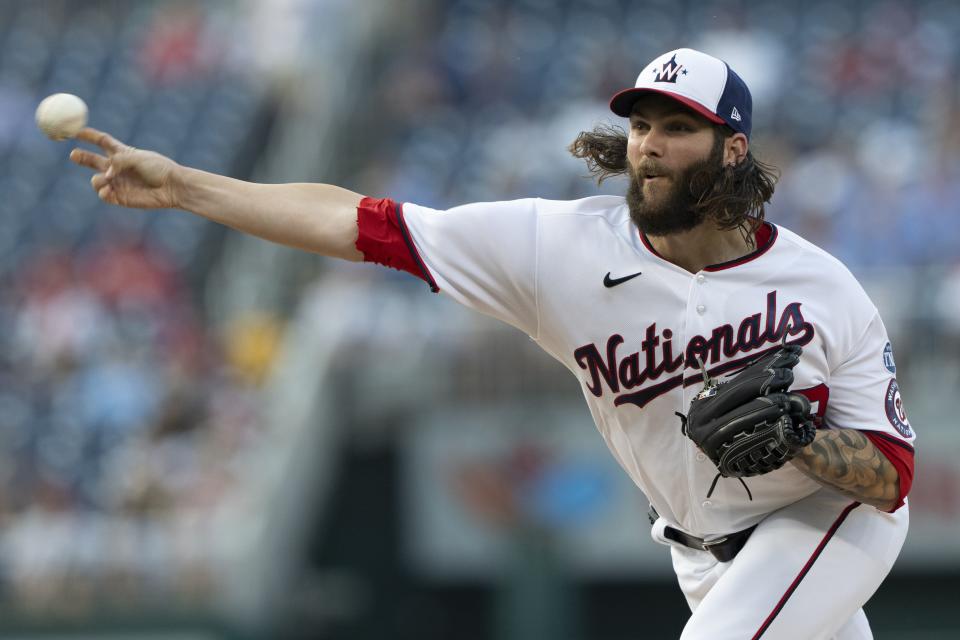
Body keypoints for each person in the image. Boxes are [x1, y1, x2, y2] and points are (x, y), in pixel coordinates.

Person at [70, 48, 914, 639]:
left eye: (677, 127)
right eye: (641, 124)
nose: (650, 145)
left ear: (733, 150)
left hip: (825, 521)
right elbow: (361, 224)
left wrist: (805, 443)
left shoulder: (821, 289)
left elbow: (892, 479)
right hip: (697, 553)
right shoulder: (561, 248)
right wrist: (184, 185)